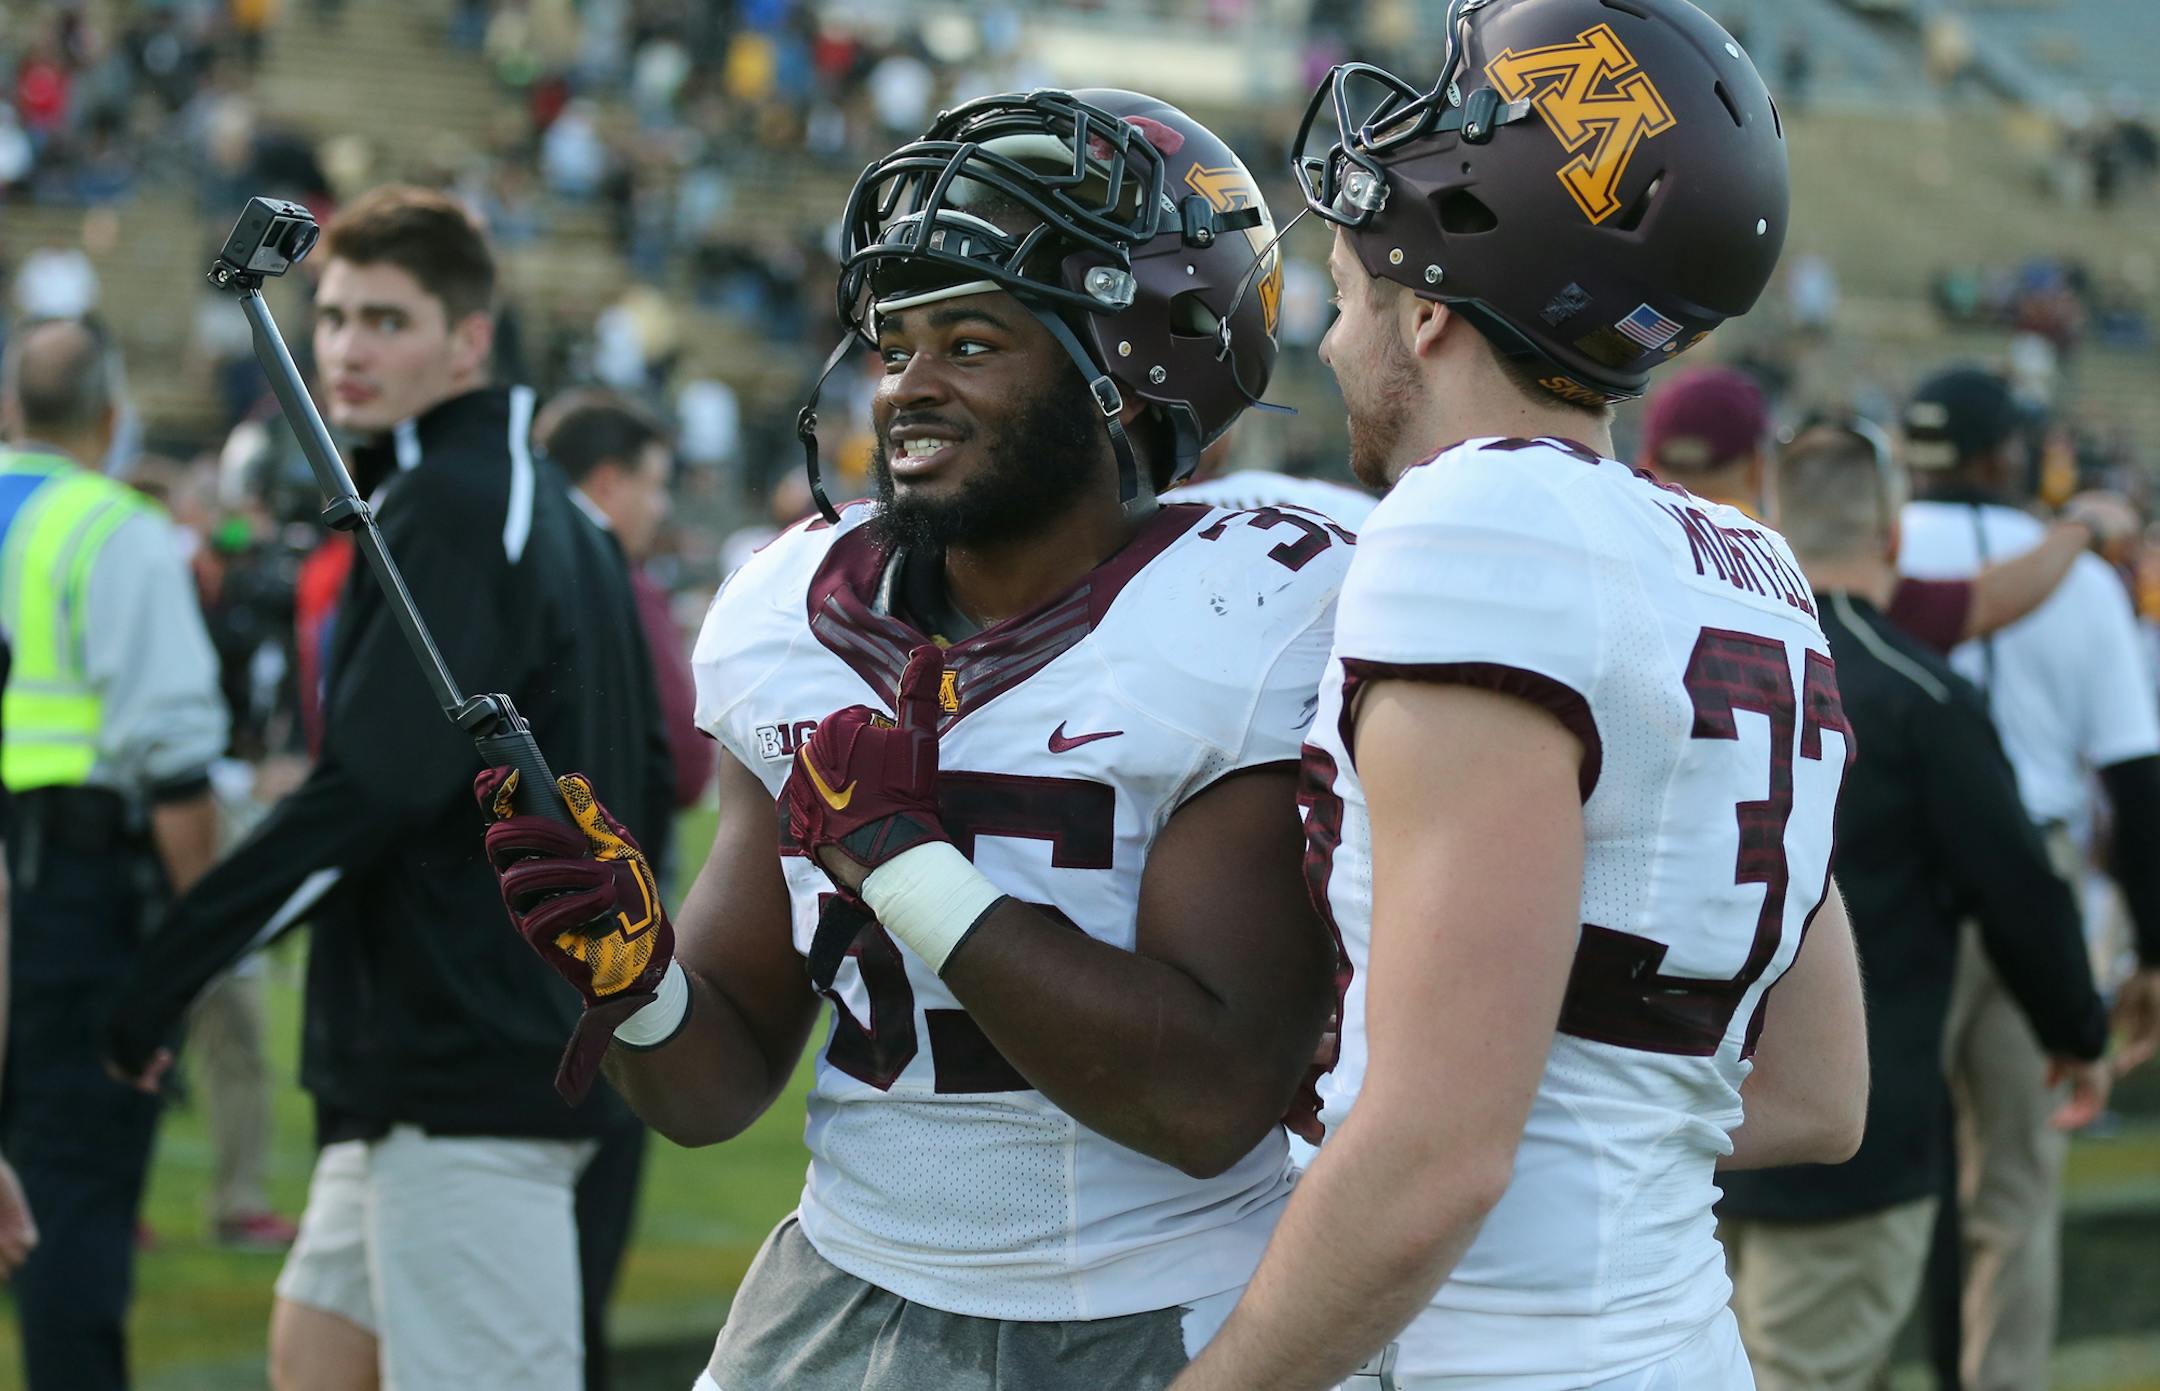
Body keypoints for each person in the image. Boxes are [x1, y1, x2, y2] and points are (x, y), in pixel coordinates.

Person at [477, 88, 1344, 1391]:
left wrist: (906, 865)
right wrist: (638, 984)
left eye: (974, 342)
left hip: (1165, 1304)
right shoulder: (793, 614)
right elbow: (713, 1089)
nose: (909, 389)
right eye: (893, 343)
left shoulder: (1246, 610)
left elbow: (1209, 1100)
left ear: (1128, 369)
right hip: (845, 1288)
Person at [1174, 3, 1869, 1387]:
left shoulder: (1479, 529)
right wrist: (1594, 1132)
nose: (1324, 342)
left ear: (1428, 312)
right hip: (1671, 1336)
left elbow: (1439, 1151)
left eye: (1349, 295)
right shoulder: (1752, 566)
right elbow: (1816, 1090)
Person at [101, 185, 670, 1391]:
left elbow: (366, 793)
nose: (350, 347)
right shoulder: (533, 500)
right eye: (338, 315)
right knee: (312, 1360)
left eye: (390, 319)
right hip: (439, 1062)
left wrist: (162, 975)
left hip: (470, 1076)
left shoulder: (457, 508)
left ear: (469, 337)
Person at [1717, 423, 2112, 1391]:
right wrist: (2078, 1027)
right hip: (1849, 1134)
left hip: (1692, 1124)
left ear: (1771, 521)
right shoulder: (1918, 692)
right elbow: (2017, 886)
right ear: (1891, 536)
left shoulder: (1699, 661)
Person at [1896, 365, 2160, 1391]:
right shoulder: (2078, 574)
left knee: (1871, 1176)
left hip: (1890, 875)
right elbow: (2137, 783)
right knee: (2012, 1185)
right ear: (2007, 453)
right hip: (2034, 874)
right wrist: (2151, 947)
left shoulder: (1872, 551)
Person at [0, 317, 228, 1390]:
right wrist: (204, 932)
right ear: (107, 415)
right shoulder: (112, 527)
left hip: (46, 870)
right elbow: (174, 755)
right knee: (68, 1194)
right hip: (69, 894)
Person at [531, 387, 702, 1391]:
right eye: (652, 483)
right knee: (581, 1228)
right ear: (606, 481)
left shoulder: (508, 548)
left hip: (502, 930)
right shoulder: (614, 577)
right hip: (597, 929)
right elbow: (681, 760)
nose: (656, 506)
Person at [1637, 366, 2106, 648]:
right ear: (1761, 469)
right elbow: (1986, 601)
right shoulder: (1781, 573)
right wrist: (2084, 527)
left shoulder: (1607, 556)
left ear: (1647, 460)